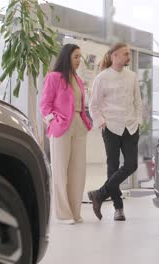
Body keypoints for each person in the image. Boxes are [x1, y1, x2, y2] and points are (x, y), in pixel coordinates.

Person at [87, 42, 142, 221]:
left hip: (130, 127)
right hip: (110, 127)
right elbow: (93, 105)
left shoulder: (132, 76)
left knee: (131, 164)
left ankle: (100, 194)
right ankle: (119, 209)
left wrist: (139, 121)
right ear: (114, 56)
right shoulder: (102, 78)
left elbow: (138, 102)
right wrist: (101, 122)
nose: (128, 56)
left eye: (128, 54)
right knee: (112, 167)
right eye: (125, 54)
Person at [40, 43, 92, 225]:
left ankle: (75, 212)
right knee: (60, 170)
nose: (79, 60)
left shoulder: (77, 80)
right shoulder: (53, 77)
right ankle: (63, 214)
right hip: (61, 126)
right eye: (76, 56)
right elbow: (44, 104)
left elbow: (80, 104)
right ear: (67, 57)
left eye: (80, 57)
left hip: (79, 125)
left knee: (78, 171)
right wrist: (53, 122)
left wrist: (85, 123)